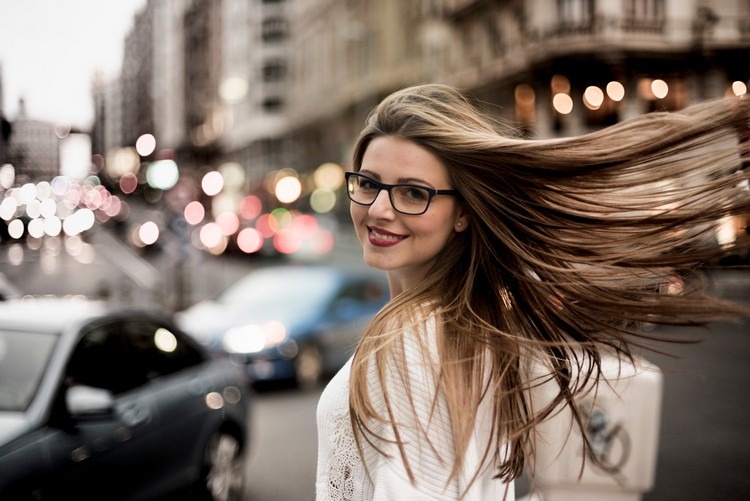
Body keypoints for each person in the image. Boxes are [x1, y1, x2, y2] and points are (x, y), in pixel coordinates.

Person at [315, 83, 750, 500]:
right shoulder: (467, 325)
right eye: (368, 184)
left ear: (463, 212)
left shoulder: (413, 337)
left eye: (414, 193)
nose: (379, 209)